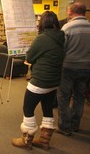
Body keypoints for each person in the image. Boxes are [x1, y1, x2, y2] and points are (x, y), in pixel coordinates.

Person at [12, 11, 65, 150]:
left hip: (40, 81)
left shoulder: (42, 38)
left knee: (28, 108)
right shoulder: (61, 37)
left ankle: (26, 140)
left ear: (42, 23)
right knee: (47, 108)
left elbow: (29, 58)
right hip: (54, 81)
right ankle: (44, 140)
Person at [57, 2, 90, 135]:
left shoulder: (67, 28)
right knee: (79, 98)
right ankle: (75, 126)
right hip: (85, 68)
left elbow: (62, 49)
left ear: (70, 12)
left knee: (63, 97)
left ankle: (64, 127)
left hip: (68, 67)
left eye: (67, 11)